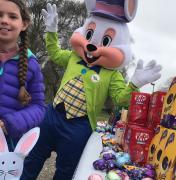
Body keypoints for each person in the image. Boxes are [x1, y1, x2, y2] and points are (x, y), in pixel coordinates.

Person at [21, 1, 162, 180]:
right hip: (52, 115)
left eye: (105, 41)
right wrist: (51, 31)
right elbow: (55, 53)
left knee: (66, 168)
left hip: (79, 126)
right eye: (89, 34)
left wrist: (134, 84)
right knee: (33, 158)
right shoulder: (73, 57)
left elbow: (121, 99)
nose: (92, 46)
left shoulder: (112, 74)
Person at [0, 0, 46, 151]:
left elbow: (39, 107)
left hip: (8, 146)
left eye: (12, 17)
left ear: (24, 24)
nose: (4, 20)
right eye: (0, 15)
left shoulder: (31, 63)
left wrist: (12, 123)